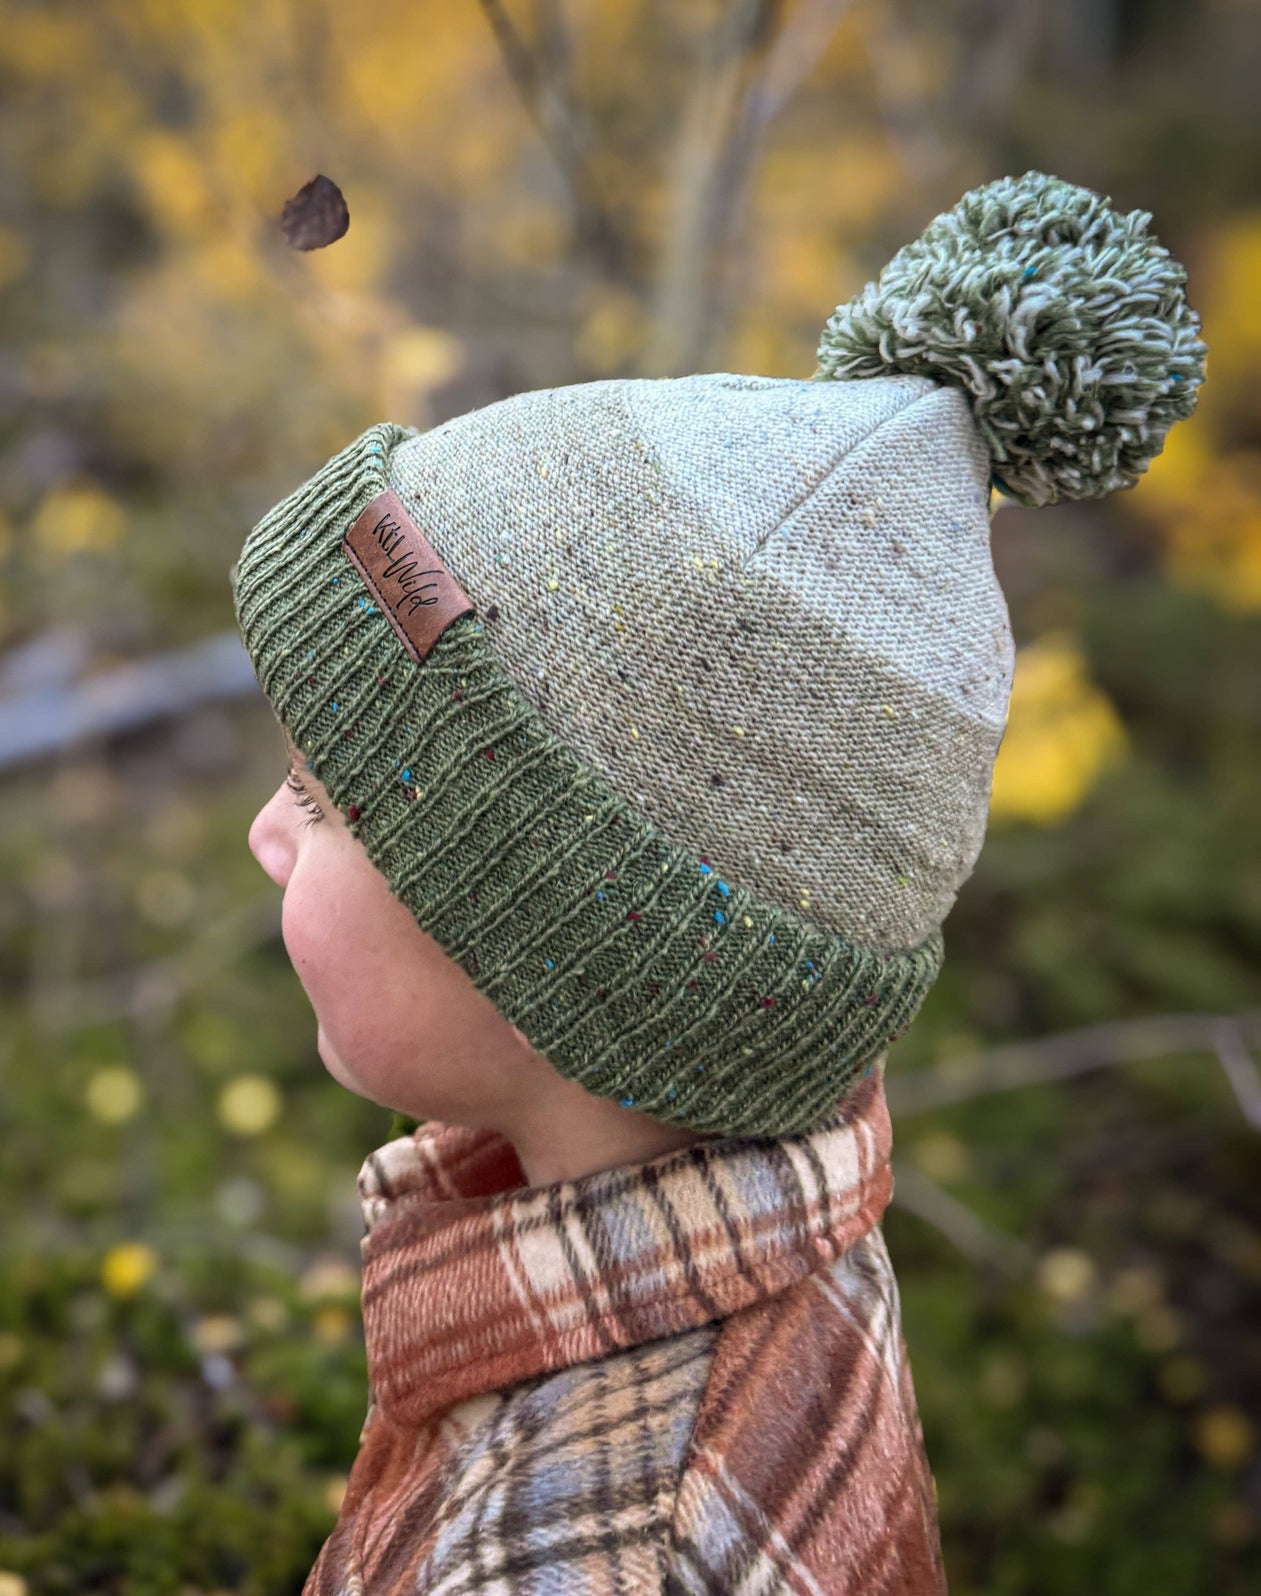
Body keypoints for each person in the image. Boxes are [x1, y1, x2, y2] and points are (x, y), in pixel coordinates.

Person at [235, 169, 1206, 1595]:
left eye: (326, 799)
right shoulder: (767, 1237)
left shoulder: (586, 1553)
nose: (266, 829)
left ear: (560, 954)